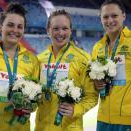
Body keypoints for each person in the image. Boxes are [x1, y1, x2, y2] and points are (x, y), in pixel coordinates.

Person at [0, 2, 39, 131]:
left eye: (20, 27)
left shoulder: (32, 59)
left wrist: (30, 106)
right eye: (10, 25)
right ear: (1, 27)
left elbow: (35, 98)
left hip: (21, 127)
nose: (15, 30)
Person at [35, 9, 98, 131]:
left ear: (70, 31)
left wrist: (76, 109)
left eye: (65, 28)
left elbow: (92, 97)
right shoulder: (39, 59)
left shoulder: (83, 58)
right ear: (48, 31)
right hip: (42, 127)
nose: (60, 33)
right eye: (56, 28)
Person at [92, 0, 131, 130]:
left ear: (123, 16)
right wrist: (96, 83)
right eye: (105, 17)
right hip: (103, 119)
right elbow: (94, 80)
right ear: (100, 19)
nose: (110, 20)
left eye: (114, 16)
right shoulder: (97, 47)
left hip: (127, 119)